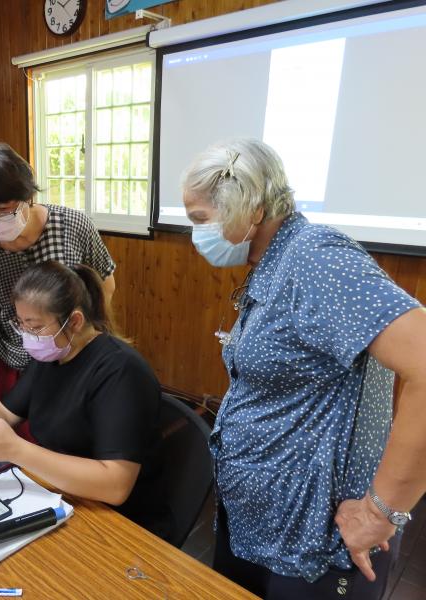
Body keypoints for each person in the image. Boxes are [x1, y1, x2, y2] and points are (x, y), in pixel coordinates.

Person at [181, 138, 426, 599]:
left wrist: (381, 511)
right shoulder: (277, 259)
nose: (195, 233)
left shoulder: (316, 257)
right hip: (261, 521)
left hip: (309, 540)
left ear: (252, 209)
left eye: (200, 219)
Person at [0, 260, 174, 540]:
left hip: (120, 525)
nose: (27, 336)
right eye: (21, 324)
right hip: (63, 499)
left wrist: (17, 450)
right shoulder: (52, 355)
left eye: (35, 327)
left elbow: (115, 486)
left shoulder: (122, 372)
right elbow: (3, 411)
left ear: (74, 321)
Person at [0, 143, 116, 402]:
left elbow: (105, 285)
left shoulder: (72, 225)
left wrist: (84, 337)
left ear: (28, 196)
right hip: (18, 363)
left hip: (77, 358)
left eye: (3, 210)